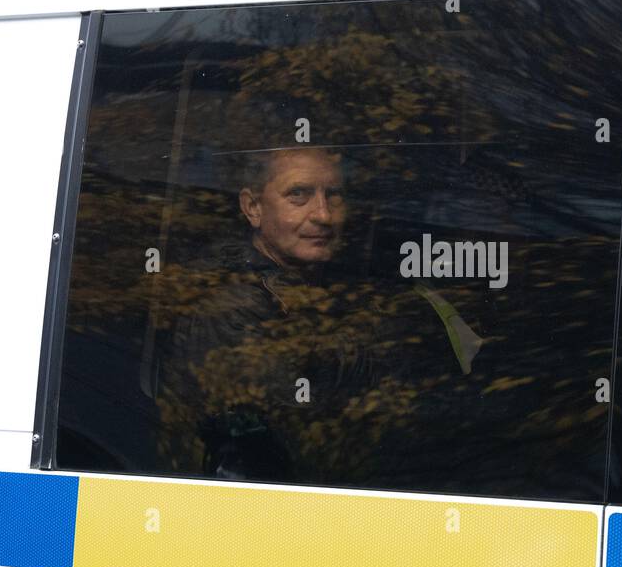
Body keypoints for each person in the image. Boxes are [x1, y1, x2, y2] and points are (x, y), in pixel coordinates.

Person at [157, 145, 481, 483]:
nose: (323, 215)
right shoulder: (227, 305)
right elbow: (307, 423)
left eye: (334, 196)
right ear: (253, 207)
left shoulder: (333, 283)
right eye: (299, 195)